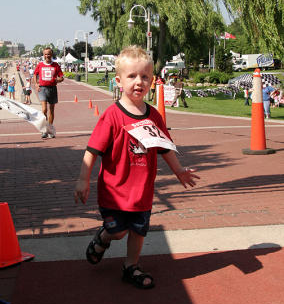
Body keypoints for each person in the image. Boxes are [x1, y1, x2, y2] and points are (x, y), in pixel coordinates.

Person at [74, 45, 200, 289]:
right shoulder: (111, 115)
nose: (138, 81)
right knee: (119, 231)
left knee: (139, 231)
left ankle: (131, 265)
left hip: (142, 191)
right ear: (119, 81)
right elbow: (92, 151)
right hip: (114, 192)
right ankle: (103, 237)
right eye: (132, 76)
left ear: (151, 81)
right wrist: (82, 179)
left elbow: (164, 148)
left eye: (144, 76)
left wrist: (179, 171)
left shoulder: (154, 116)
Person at [33, 47, 64, 138]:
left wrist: (58, 80)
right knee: (44, 110)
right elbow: (35, 74)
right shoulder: (40, 65)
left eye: (49, 54)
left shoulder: (55, 65)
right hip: (42, 88)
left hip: (52, 89)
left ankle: (49, 129)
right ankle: (44, 130)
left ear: (51, 55)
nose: (47, 56)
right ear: (43, 55)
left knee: (51, 110)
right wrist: (36, 84)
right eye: (45, 54)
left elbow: (61, 77)